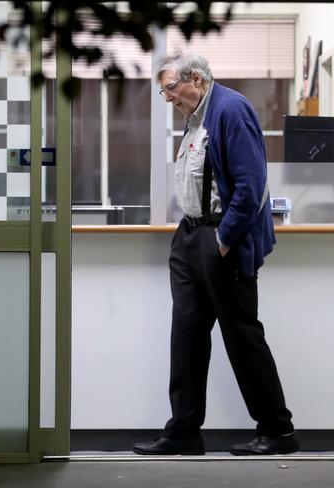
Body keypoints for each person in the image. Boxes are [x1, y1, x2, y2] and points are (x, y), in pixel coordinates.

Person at [132, 52, 299, 456]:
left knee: (242, 337)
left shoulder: (230, 110)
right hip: (191, 236)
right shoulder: (196, 116)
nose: (167, 98)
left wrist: (223, 240)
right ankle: (184, 430)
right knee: (186, 336)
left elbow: (251, 185)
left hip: (221, 240)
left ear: (197, 79)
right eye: (163, 91)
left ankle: (278, 431)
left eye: (171, 87)